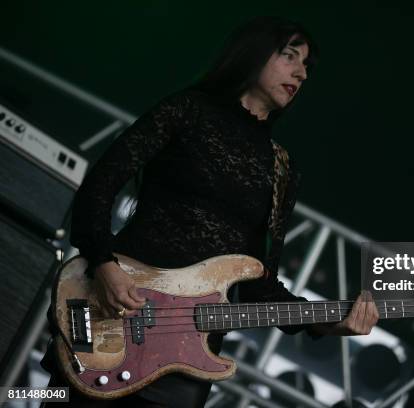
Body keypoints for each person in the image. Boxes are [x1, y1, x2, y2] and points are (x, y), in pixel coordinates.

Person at [40, 16, 379, 408]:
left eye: (306, 67)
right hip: (109, 313)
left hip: (185, 360)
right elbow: (99, 186)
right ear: (254, 53)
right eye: (290, 56)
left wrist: (331, 321)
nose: (301, 73)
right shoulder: (188, 109)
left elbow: (259, 287)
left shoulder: (283, 168)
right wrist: (104, 265)